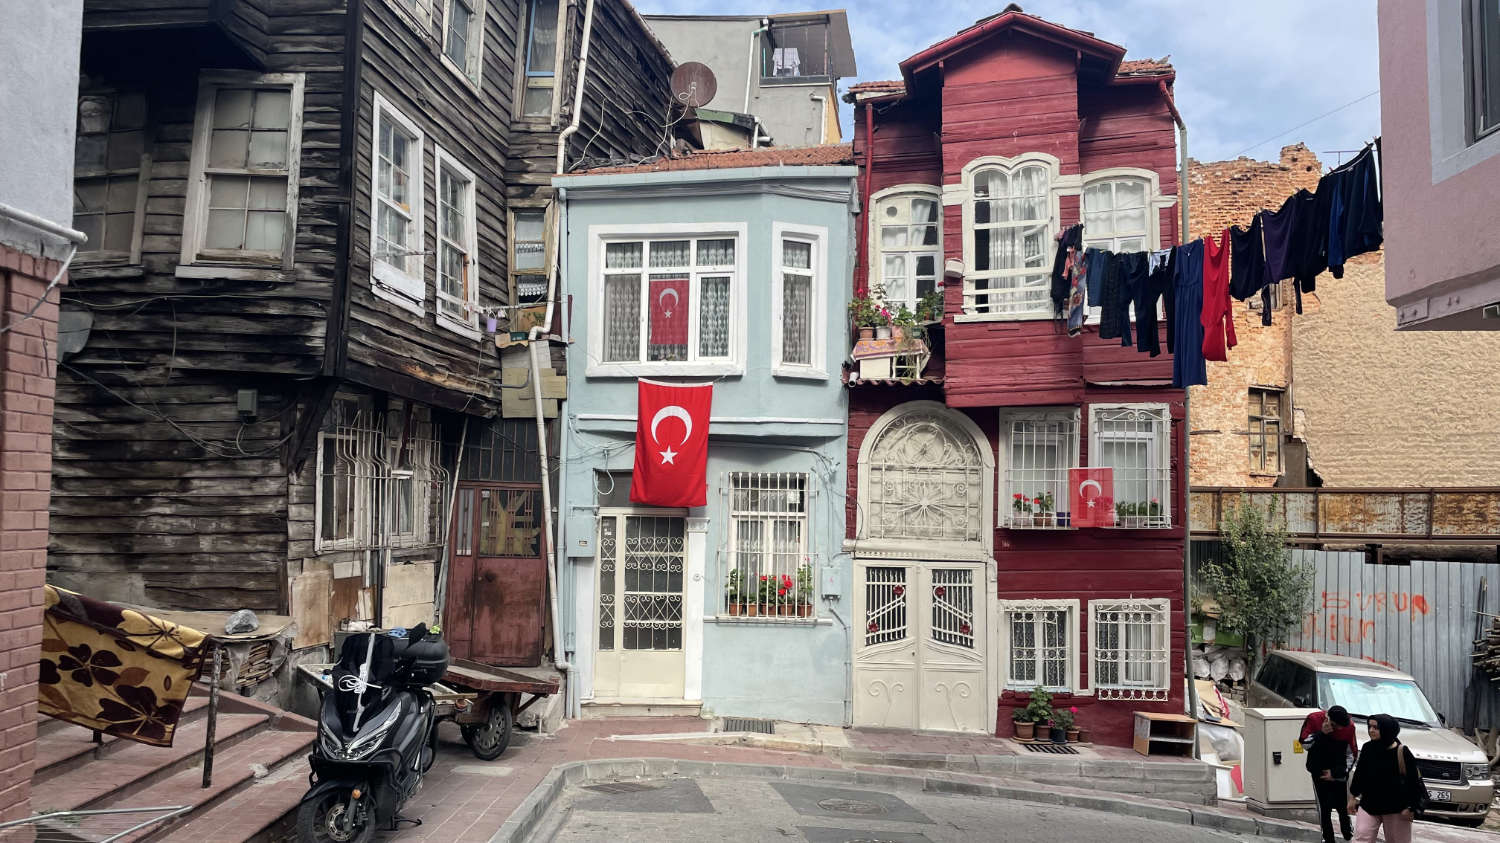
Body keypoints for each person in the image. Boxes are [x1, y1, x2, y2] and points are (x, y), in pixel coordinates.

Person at [1348, 713, 1427, 843]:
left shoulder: (1402, 752)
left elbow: (1413, 782)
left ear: (1387, 729)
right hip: (1369, 804)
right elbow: (1360, 774)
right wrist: (1353, 797)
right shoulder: (1368, 748)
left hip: (1396, 808)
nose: (1371, 730)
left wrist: (1411, 807)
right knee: (1361, 838)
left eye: (1376, 727)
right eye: (1369, 726)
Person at [1301, 705, 1357, 842]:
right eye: (1335, 726)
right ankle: (1328, 837)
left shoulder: (1349, 727)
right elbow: (1304, 743)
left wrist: (1338, 773)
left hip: (1338, 769)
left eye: (1341, 727)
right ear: (1328, 719)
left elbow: (1352, 754)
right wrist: (1321, 733)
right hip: (1319, 769)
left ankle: (1346, 828)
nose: (1338, 729)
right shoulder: (1313, 719)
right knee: (1324, 807)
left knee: (1341, 805)